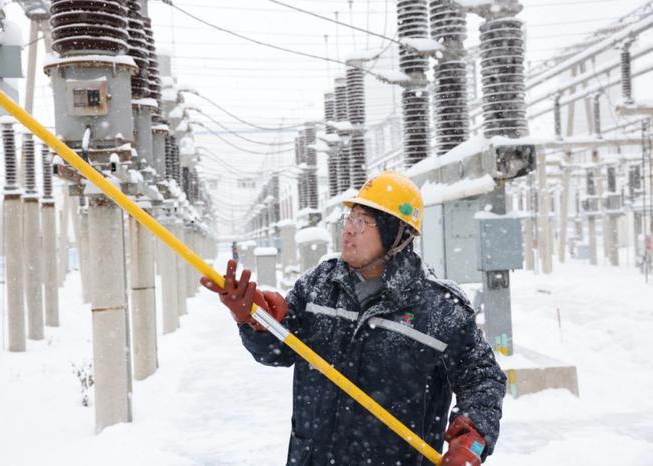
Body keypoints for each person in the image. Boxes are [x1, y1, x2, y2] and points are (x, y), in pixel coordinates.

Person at [201, 171, 506, 466]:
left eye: (363, 222)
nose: (348, 229)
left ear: (396, 233)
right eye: (349, 219)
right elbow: (278, 351)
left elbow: (483, 378)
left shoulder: (440, 309)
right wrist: (253, 319)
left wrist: (471, 440)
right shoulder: (319, 286)